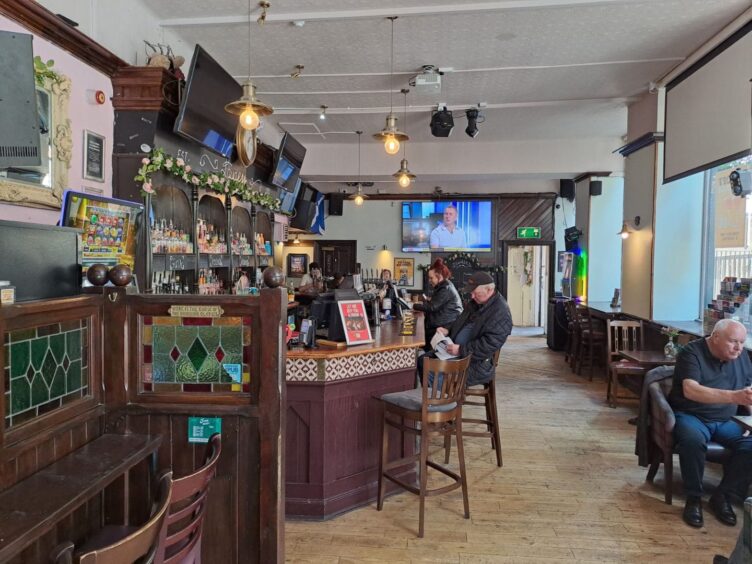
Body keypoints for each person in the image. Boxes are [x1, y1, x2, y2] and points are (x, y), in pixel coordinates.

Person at [668, 318, 752, 528]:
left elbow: (748, 392)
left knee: (750, 444)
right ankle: (693, 499)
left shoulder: (741, 357)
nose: (738, 348)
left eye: (742, 342)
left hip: (726, 420)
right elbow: (691, 390)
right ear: (715, 337)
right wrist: (734, 397)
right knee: (692, 441)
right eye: (733, 341)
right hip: (692, 415)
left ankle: (723, 496)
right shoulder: (692, 352)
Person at [421, 271, 512, 387]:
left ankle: (443, 403)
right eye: (472, 293)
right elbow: (460, 320)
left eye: (476, 293)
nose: (472, 296)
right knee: (422, 361)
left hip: (476, 362)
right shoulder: (476, 302)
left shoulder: (501, 313)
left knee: (433, 371)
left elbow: (488, 345)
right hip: (457, 353)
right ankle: (431, 399)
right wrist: (448, 329)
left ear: (489, 290)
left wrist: (461, 350)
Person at [412, 258, 462, 351]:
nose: (430, 281)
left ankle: (422, 358)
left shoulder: (445, 288)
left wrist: (413, 306)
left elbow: (432, 307)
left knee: (417, 335)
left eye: (431, 278)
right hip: (440, 324)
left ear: (439, 276)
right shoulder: (444, 286)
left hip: (443, 327)